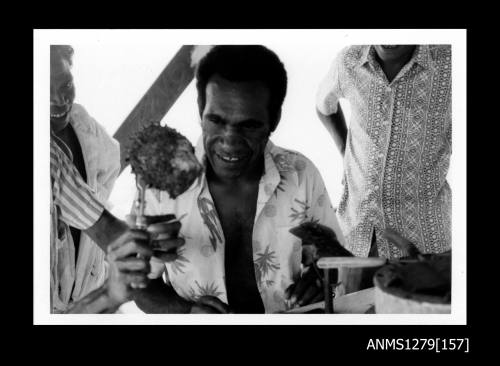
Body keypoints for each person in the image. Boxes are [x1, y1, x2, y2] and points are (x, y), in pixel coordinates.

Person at [132, 45, 346, 314]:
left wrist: (319, 279)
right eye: (217, 121)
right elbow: (140, 285)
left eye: (248, 125)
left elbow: (334, 256)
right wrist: (186, 312)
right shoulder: (162, 187)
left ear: (274, 119)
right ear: (200, 110)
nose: (229, 141)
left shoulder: (300, 175)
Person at [316, 45, 452, 292]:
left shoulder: (450, 64)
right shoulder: (348, 61)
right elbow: (324, 106)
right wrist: (345, 153)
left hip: (423, 240)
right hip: (359, 236)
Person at [50, 45, 122, 310]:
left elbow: (101, 215)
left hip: (90, 296)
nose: (59, 99)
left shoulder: (92, 136)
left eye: (66, 85)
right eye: (43, 91)